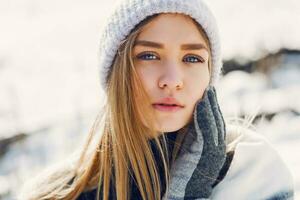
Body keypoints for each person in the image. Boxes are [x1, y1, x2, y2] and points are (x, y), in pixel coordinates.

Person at [19, 0, 294, 199]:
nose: (172, 79)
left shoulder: (252, 174)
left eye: (192, 58)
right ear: (116, 73)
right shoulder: (54, 194)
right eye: (149, 55)